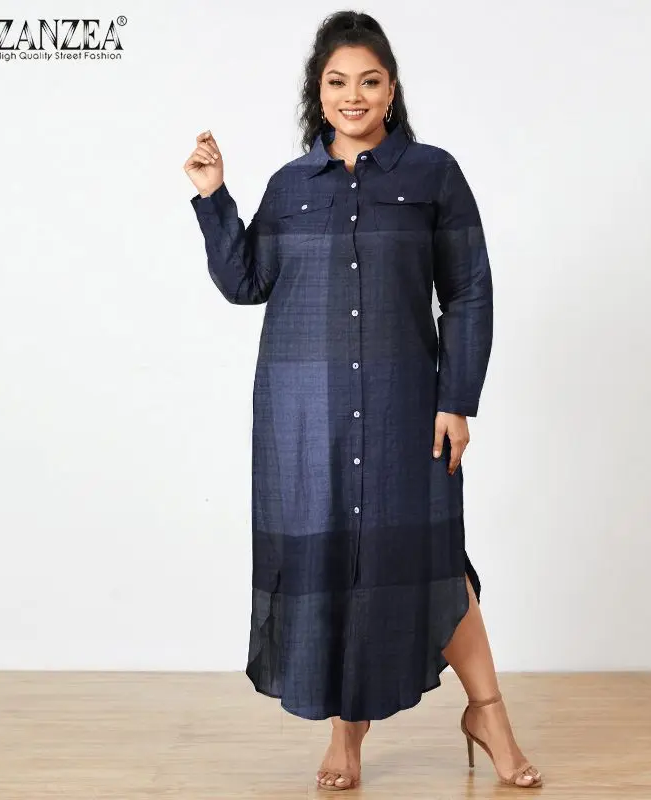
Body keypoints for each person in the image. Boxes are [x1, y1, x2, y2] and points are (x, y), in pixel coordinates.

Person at [183, 10, 542, 792]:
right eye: (338, 82)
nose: (354, 96)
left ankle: (489, 714)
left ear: (392, 89)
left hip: (404, 407)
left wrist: (457, 399)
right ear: (318, 93)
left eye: (369, 81)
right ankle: (346, 737)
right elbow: (245, 282)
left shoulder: (433, 175)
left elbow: (469, 291)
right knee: (334, 563)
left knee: (430, 557)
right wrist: (213, 197)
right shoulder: (290, 187)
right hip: (304, 418)